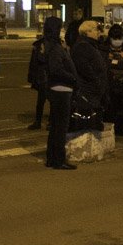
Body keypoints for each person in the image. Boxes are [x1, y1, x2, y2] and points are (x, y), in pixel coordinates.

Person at [42, 16, 78, 170]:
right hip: (61, 90)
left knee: (56, 126)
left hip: (57, 89)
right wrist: (73, 78)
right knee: (60, 127)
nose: (62, 30)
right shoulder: (55, 47)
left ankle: (53, 158)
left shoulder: (51, 45)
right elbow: (57, 70)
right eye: (60, 27)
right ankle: (58, 159)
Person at [70, 19, 108, 130]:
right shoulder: (82, 46)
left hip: (93, 87)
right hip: (88, 89)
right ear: (87, 32)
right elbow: (84, 68)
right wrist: (97, 81)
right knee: (88, 119)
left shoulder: (90, 45)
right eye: (96, 30)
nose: (98, 33)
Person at [26, 29, 48, 130]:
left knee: (43, 100)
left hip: (44, 76)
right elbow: (35, 61)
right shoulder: (40, 45)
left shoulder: (41, 44)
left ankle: (40, 121)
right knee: (42, 100)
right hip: (44, 77)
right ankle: (39, 121)